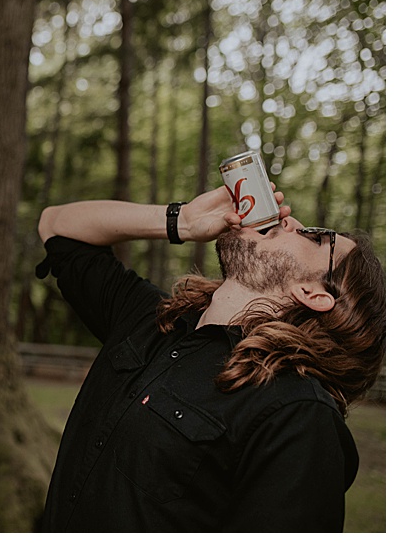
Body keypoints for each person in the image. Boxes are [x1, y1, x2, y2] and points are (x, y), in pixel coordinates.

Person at [34, 185, 385, 531]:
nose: (289, 220)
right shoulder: (153, 317)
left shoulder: (300, 415)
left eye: (315, 237)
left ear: (313, 294)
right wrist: (182, 220)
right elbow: (57, 226)